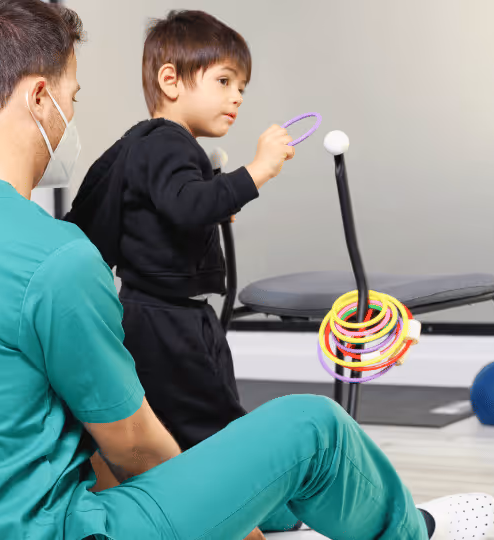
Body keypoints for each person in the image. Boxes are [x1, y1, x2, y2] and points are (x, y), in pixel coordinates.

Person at [0, 1, 494, 539]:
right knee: (313, 427)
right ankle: (413, 533)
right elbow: (134, 447)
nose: (73, 118)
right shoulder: (53, 259)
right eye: (72, 99)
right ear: (41, 97)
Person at [62, 10, 298, 533]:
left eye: (242, 86)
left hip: (147, 315)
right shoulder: (169, 141)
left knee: (180, 417)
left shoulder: (140, 145)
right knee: (213, 419)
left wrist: (212, 200)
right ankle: (251, 502)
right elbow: (186, 206)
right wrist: (257, 170)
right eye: (223, 81)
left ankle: (214, 499)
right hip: (170, 319)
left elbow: (163, 208)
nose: (237, 97)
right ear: (170, 80)